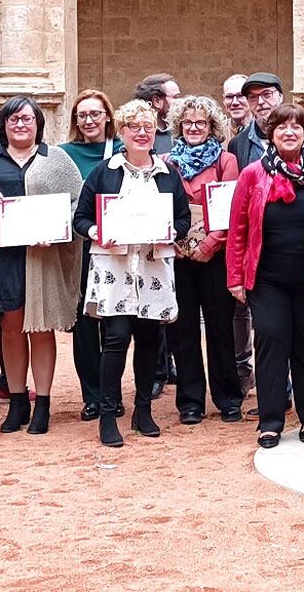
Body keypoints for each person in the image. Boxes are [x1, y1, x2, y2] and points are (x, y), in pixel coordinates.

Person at [72, 99, 192, 447]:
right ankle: (109, 414)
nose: (142, 133)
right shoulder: (104, 172)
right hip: (115, 266)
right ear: (121, 131)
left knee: (150, 340)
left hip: (153, 266)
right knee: (116, 338)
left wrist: (172, 231)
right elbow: (81, 217)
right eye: (134, 127)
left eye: (148, 127)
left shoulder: (169, 173)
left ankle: (144, 411)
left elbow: (183, 218)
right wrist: (98, 232)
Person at [0, 96, 85, 435]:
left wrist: (58, 230)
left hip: (42, 257)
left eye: (27, 119)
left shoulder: (56, 159)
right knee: (11, 326)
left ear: (38, 124)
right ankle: (17, 400)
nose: (20, 125)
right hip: (1, 256)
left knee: (40, 326)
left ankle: (43, 403)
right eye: (13, 119)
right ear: (3, 124)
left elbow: (76, 203)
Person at [226, 103, 304, 448]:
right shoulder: (253, 174)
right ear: (270, 133)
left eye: (296, 126)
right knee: (271, 339)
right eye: (282, 126)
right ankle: (270, 419)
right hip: (266, 278)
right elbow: (238, 227)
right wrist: (235, 277)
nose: (289, 132)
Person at [166, 96, 243, 425]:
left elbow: (231, 208)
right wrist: (179, 244)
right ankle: (190, 401)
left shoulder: (226, 161)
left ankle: (228, 398)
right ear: (179, 127)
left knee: (220, 327)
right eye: (187, 123)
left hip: (216, 255)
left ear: (212, 126)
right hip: (178, 255)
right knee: (182, 330)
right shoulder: (166, 161)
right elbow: (160, 206)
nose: (194, 128)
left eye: (200, 122)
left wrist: (211, 244)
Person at [60, 88, 118, 422]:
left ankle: (111, 393)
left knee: (114, 323)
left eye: (95, 113)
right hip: (79, 247)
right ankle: (92, 396)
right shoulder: (62, 154)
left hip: (117, 249)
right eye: (82, 115)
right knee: (84, 323)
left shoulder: (122, 151)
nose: (88, 120)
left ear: (108, 117)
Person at [221, 74, 255, 394]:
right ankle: (242, 370)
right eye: (228, 97)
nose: (235, 102)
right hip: (235, 235)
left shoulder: (256, 136)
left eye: (240, 96)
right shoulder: (228, 141)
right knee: (238, 308)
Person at [227, 72, 304, 168]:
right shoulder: (237, 144)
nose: (260, 102)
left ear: (280, 97)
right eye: (253, 97)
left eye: (267, 94)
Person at [132, 74, 182, 155]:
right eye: (176, 97)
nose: (181, 102)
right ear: (157, 101)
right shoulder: (132, 134)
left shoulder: (182, 130)